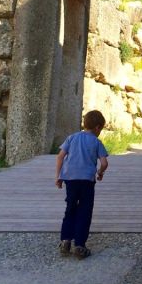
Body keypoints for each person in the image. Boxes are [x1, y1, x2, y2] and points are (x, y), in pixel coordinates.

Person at [55, 110, 109, 258]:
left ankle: (65, 240)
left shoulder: (72, 138)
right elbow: (104, 162)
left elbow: (60, 157)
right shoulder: (96, 142)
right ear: (97, 128)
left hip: (70, 180)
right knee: (85, 211)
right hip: (86, 181)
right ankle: (79, 245)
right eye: (101, 130)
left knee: (70, 208)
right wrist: (100, 172)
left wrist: (58, 176)